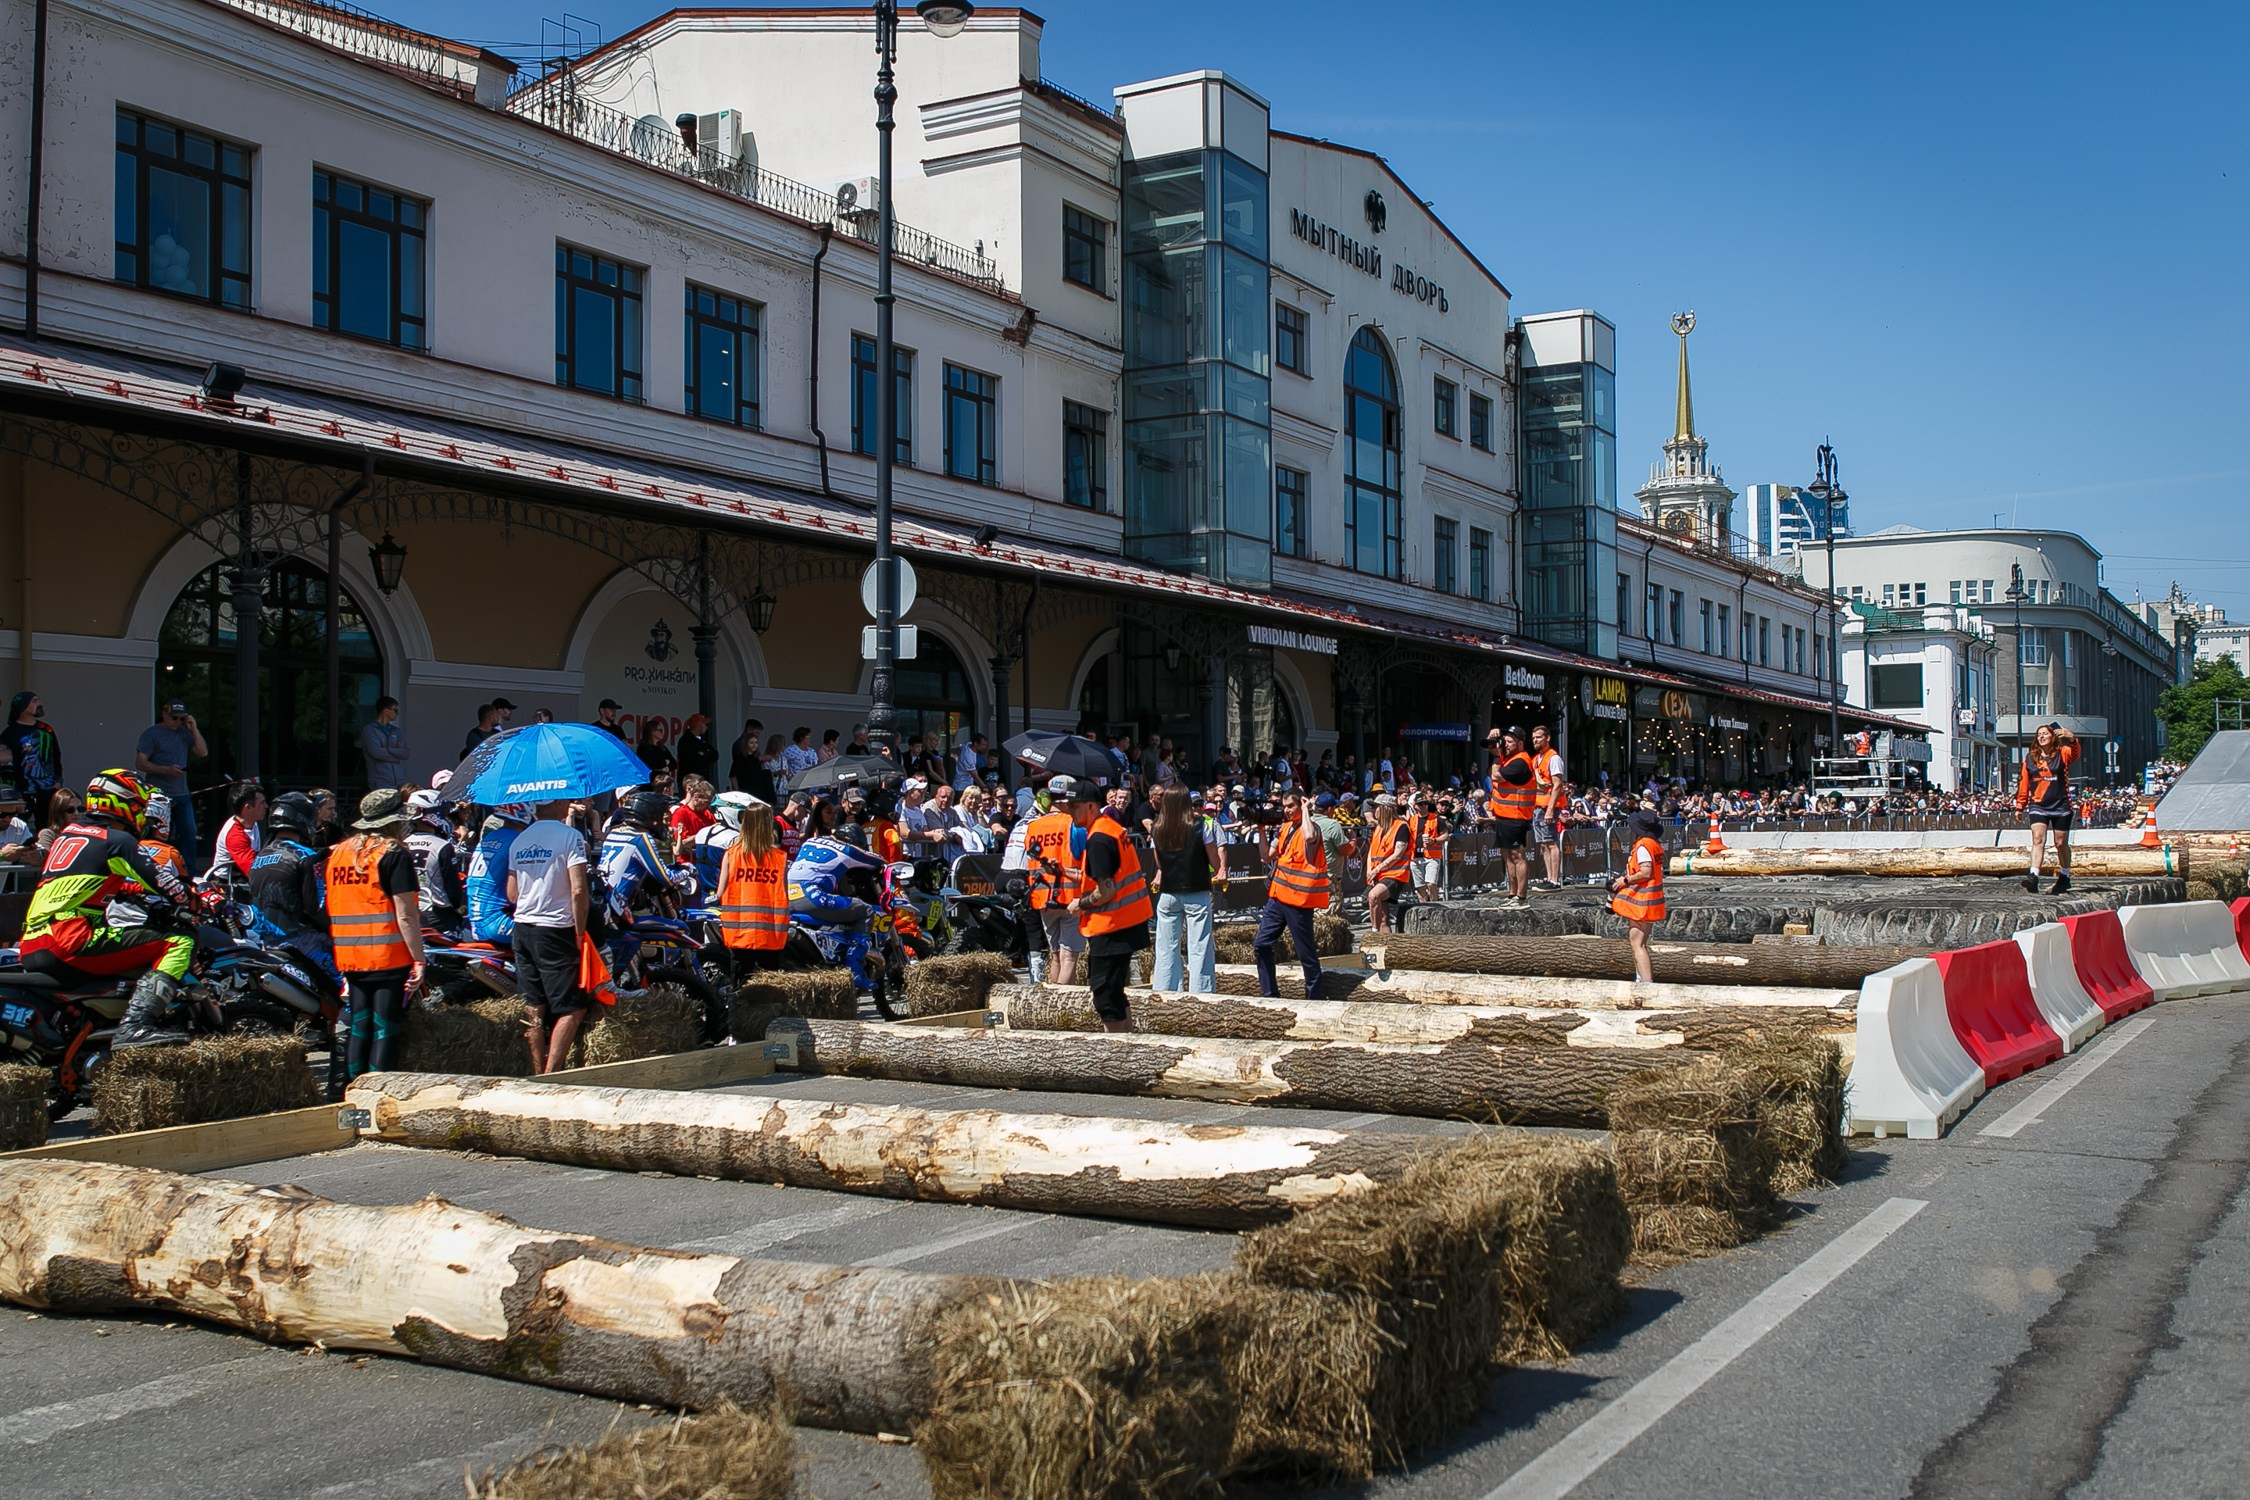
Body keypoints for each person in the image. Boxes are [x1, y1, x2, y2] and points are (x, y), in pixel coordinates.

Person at [19, 770, 197, 1046]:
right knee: (179, 940)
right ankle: (136, 1025)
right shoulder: (117, 841)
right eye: (140, 806)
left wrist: (134, 890)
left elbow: (92, 884)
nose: (142, 814)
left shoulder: (69, 835)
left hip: (32, 942)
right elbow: (170, 886)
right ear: (125, 804)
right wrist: (203, 897)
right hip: (70, 939)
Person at [326, 790, 428, 1079]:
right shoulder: (393, 853)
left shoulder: (340, 853)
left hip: (349, 955)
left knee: (359, 1025)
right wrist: (419, 961)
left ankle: (353, 1089)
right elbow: (406, 914)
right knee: (385, 1027)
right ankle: (377, 1091)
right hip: (387, 954)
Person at [508, 798, 595, 1074]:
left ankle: (536, 1071)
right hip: (555, 928)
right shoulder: (570, 836)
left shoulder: (519, 840)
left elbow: (512, 894)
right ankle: (552, 1074)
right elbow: (579, 890)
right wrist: (580, 933)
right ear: (557, 806)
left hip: (522, 926)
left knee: (534, 1007)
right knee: (573, 1007)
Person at [1062, 778, 1148, 1032]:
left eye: (1074, 807)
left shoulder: (1098, 839)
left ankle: (1116, 1050)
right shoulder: (1110, 828)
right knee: (1115, 990)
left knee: (1105, 994)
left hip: (1111, 926)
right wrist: (1067, 872)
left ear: (1091, 806)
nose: (1070, 812)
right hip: (1127, 922)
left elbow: (1106, 890)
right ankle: (1128, 1044)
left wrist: (1081, 903)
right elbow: (1105, 876)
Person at [785, 829, 888, 991]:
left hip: (787, 897)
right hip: (812, 897)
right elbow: (879, 861)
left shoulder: (811, 840)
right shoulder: (848, 849)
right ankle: (855, 971)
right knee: (865, 910)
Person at [1253, 788, 1328, 1001]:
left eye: (1291, 806)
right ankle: (1270, 994)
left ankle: (1315, 999)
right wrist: (1260, 830)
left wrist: (1306, 809)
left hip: (1299, 901)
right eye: (1284, 806)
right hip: (1278, 898)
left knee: (1306, 954)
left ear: (1301, 805)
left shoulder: (1312, 828)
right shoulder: (1285, 829)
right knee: (1261, 943)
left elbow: (1309, 836)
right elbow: (1266, 856)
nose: (1286, 810)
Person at [1148, 787, 1223, 993]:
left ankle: (1164, 991)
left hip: (1169, 892)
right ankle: (1202, 993)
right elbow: (1214, 862)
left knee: (1165, 946)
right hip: (1196, 890)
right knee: (1200, 945)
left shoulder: (1157, 827)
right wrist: (1218, 870)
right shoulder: (1200, 826)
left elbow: (1159, 864)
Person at [714, 797, 789, 980]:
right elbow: (785, 893)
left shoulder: (731, 855)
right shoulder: (779, 858)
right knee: (769, 984)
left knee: (740, 981)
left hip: (738, 930)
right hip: (770, 932)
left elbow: (720, 892)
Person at [1023, 776, 1087, 986]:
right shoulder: (1075, 825)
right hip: (1072, 898)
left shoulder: (1033, 826)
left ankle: (1051, 1001)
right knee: (1069, 957)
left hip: (1043, 897)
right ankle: (1061, 1007)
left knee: (1056, 955)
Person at [134, 699, 205, 864]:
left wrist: (194, 729)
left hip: (182, 792)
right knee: (158, 835)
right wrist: (166, 770)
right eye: (174, 718)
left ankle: (188, 872)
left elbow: (202, 752)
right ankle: (157, 868)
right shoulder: (151, 734)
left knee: (189, 835)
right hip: (159, 794)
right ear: (164, 715)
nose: (177, 722)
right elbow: (140, 763)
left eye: (181, 718)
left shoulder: (184, 732)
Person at [599, 789, 682, 927]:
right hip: (616, 911)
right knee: (676, 928)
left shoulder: (614, 833)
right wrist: (690, 870)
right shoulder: (640, 838)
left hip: (604, 901)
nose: (666, 822)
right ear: (650, 816)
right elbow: (667, 878)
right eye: (662, 816)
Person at [1609, 799, 1668, 984]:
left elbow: (1645, 871)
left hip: (1642, 900)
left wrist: (1624, 880)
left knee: (1638, 944)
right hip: (1652, 899)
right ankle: (1640, 977)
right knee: (1640, 943)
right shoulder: (1654, 844)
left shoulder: (1643, 845)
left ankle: (1646, 983)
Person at [2018, 722, 2080, 895]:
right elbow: (2024, 782)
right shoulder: (2030, 758)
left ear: (2053, 737)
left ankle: (2065, 876)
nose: (2042, 737)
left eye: (2045, 734)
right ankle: (2034, 875)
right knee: (2038, 839)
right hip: (2038, 804)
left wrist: (2072, 738)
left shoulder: (2063, 753)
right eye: (2039, 735)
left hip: (2061, 804)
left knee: (2060, 843)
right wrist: (2019, 804)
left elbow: (2075, 753)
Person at [1484, 726, 1537, 907]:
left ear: (1520, 743)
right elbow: (1493, 751)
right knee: (1507, 856)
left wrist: (1496, 756)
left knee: (1517, 855)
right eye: (1504, 741)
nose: (1505, 744)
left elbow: (1496, 776)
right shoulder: (1509, 759)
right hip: (1505, 816)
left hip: (1516, 815)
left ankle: (1521, 897)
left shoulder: (1520, 761)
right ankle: (1512, 894)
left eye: (1509, 741)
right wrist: (1493, 742)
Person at [403, 790, 467, 932]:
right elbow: (453, 893)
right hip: (438, 917)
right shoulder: (442, 846)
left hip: (408, 914)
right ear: (433, 813)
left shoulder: (402, 843)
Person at [464, 807, 527, 946]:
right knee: (551, 936)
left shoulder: (489, 837)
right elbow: (515, 895)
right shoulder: (519, 841)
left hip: (475, 922)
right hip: (498, 923)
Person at [3, 690, 61, 824]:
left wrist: (58, 780)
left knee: (47, 827)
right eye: (34, 701)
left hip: (48, 791)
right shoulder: (10, 733)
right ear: (23, 706)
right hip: (22, 792)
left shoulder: (46, 730)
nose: (39, 703)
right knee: (18, 826)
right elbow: (6, 766)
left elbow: (56, 757)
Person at [1363, 793, 1414, 935]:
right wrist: (1369, 871)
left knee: (1373, 896)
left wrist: (1377, 869)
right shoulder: (1378, 828)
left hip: (1395, 875)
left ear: (1386, 809)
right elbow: (1371, 852)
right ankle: (1387, 946)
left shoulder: (1401, 826)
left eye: (1377, 808)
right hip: (1378, 875)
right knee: (1384, 917)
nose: (1374, 811)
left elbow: (1398, 854)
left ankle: (1373, 933)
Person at [204, 781, 268, 886]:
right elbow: (253, 871)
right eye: (262, 803)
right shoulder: (235, 835)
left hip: (243, 875)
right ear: (247, 808)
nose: (266, 806)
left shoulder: (252, 821)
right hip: (229, 884)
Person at [689, 791, 752, 894]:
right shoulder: (735, 838)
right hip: (727, 894)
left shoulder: (702, 833)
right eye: (743, 816)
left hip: (705, 894)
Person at [1530, 724, 1568, 891]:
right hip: (1537, 805)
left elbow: (1557, 784)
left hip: (1548, 806)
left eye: (1538, 737)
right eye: (1533, 738)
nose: (1535, 740)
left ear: (1547, 738)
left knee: (1551, 842)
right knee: (1544, 843)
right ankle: (1549, 877)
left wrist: (1551, 809)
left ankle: (1554, 879)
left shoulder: (1554, 758)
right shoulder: (1536, 759)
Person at [360, 696, 411, 789]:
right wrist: (397, 753)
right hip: (380, 780)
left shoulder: (396, 730)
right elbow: (377, 753)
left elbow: (406, 753)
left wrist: (387, 749)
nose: (397, 713)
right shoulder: (370, 730)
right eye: (395, 710)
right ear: (386, 710)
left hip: (399, 780)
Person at [1411, 792, 1447, 904]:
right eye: (1420, 804)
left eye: (1425, 803)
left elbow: (1446, 835)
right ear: (1415, 806)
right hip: (1415, 857)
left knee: (1431, 883)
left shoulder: (1436, 818)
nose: (1423, 806)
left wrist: (1434, 840)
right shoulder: (1411, 820)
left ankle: (1434, 906)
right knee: (1420, 886)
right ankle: (1424, 908)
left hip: (1432, 856)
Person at [731, 719, 776, 802]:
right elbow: (733, 774)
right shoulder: (739, 750)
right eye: (751, 742)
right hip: (746, 789)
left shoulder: (754, 756)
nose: (754, 744)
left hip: (758, 791)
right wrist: (738, 792)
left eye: (756, 742)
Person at [670, 776, 718, 845]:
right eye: (706, 802)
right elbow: (681, 843)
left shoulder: (707, 814)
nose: (708, 806)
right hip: (689, 855)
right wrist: (706, 833)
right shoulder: (680, 813)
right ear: (696, 797)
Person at [636, 718, 678, 793]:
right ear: (652, 732)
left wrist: (665, 766)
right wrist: (665, 763)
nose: (662, 733)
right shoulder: (643, 748)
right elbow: (653, 764)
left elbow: (673, 763)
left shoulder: (662, 748)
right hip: (650, 785)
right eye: (660, 730)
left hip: (664, 784)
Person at [677, 713, 719, 786]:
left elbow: (715, 755)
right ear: (699, 725)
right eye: (705, 725)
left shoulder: (703, 740)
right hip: (690, 782)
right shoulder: (685, 740)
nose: (706, 727)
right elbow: (694, 759)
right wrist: (704, 754)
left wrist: (704, 754)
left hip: (702, 780)